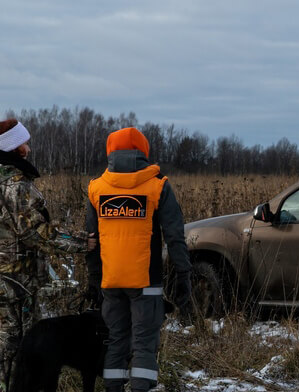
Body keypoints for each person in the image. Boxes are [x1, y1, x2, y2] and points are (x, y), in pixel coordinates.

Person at [85, 127, 191, 392]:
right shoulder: (158, 185)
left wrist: (94, 279)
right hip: (147, 282)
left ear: (110, 151)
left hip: (111, 281)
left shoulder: (96, 188)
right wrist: (183, 275)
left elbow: (91, 240)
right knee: (144, 343)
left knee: (116, 340)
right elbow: (175, 236)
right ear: (143, 151)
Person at [0, 118, 90, 389]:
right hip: (15, 282)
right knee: (16, 347)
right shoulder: (15, 185)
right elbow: (35, 233)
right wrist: (83, 243)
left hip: (8, 280)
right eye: (24, 143)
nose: (28, 148)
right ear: (14, 147)